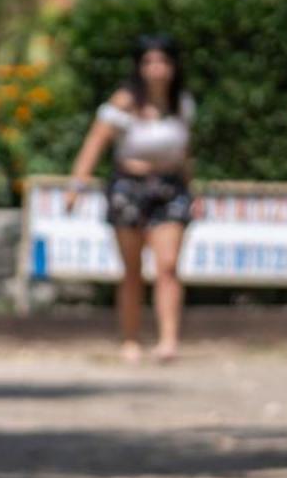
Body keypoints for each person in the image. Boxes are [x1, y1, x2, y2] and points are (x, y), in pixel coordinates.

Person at [70, 35, 196, 363]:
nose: (157, 69)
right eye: (150, 62)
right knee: (132, 269)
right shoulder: (124, 102)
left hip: (170, 188)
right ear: (140, 67)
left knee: (167, 266)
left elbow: (185, 153)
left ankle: (168, 341)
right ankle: (130, 340)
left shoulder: (181, 104)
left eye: (163, 62)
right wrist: (77, 184)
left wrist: (191, 185)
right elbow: (95, 142)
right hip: (129, 187)